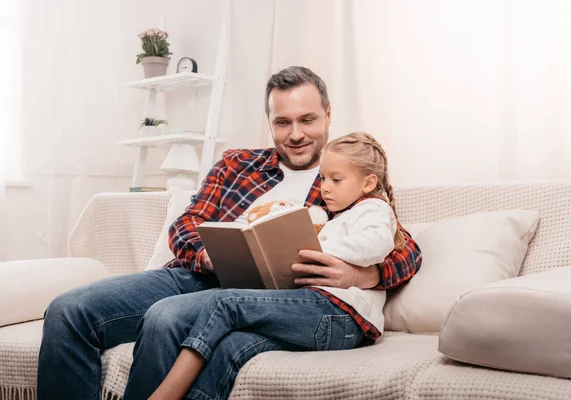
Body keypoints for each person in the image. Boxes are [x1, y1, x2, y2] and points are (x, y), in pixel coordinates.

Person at [37, 66, 422, 400]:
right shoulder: (237, 164)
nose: (296, 134)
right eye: (282, 122)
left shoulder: (344, 181)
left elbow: (405, 247)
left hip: (256, 296)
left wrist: (365, 275)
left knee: (166, 318)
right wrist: (211, 254)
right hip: (195, 275)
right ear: (269, 121)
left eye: (308, 120)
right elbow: (186, 225)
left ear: (328, 116)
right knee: (67, 311)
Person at [148, 132, 409, 400]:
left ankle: (166, 394)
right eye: (322, 178)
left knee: (224, 303)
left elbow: (376, 244)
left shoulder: (374, 209)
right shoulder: (341, 215)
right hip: (323, 313)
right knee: (231, 345)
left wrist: (309, 250)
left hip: (342, 316)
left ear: (369, 183)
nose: (325, 187)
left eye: (336, 180)